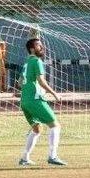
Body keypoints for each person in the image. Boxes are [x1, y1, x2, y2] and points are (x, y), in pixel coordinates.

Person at [18, 38, 67, 166]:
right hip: (35, 100)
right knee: (55, 125)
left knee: (37, 128)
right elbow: (41, 80)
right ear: (32, 49)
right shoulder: (37, 61)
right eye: (39, 45)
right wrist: (54, 93)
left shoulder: (26, 63)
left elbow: (19, 82)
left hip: (24, 101)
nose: (42, 47)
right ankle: (53, 156)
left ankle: (24, 158)